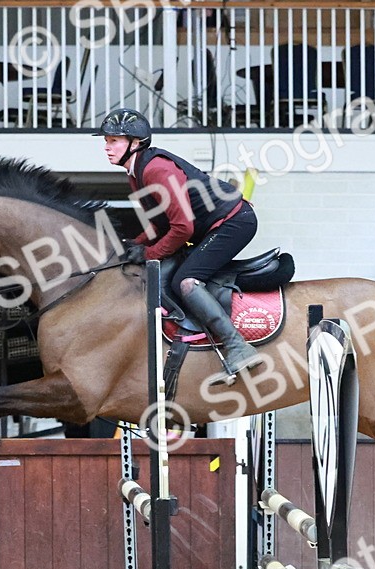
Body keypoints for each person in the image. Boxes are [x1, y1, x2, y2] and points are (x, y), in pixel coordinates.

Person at [96, 108, 262, 384]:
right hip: (216, 224)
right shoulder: (135, 172)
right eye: (106, 140)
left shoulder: (155, 169)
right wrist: (130, 246)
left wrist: (148, 254)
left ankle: (237, 347)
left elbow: (182, 228)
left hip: (235, 222)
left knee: (186, 281)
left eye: (114, 140)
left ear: (135, 144)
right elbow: (160, 224)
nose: (106, 146)